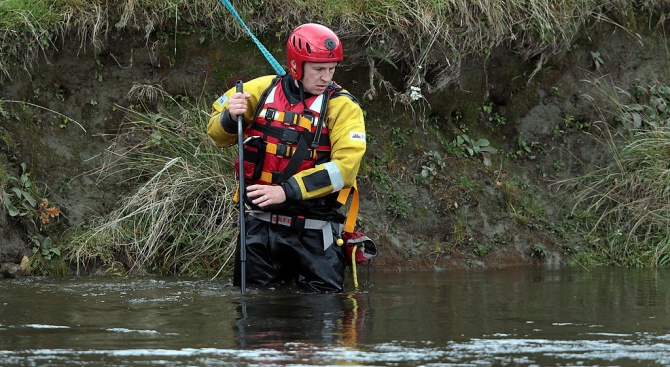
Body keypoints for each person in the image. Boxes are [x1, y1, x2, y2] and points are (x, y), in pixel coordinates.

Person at [207, 23, 366, 293]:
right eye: (318, 69)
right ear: (295, 65)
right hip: (259, 229)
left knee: (321, 321)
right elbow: (216, 136)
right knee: (254, 321)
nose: (326, 77)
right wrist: (228, 116)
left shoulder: (344, 107)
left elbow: (345, 169)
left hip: (315, 233)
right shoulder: (257, 90)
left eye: (332, 69)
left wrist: (286, 191)